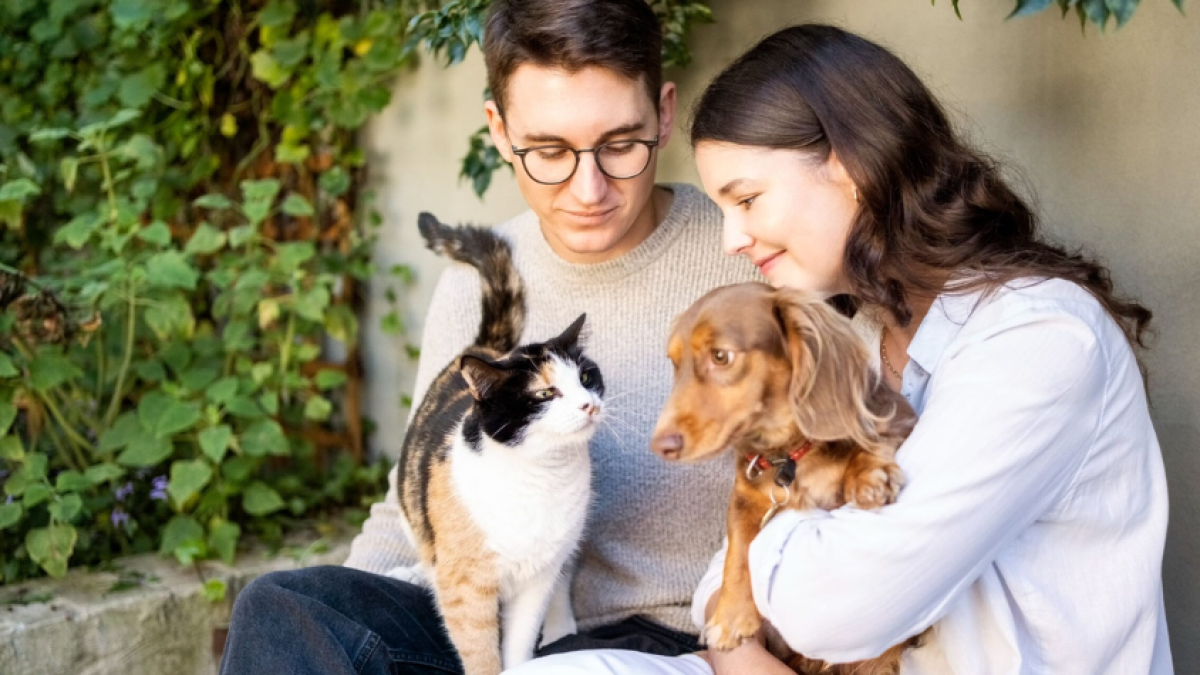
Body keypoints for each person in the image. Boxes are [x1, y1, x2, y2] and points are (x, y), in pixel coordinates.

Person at [507, 24, 1172, 675]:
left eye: (747, 199)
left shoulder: (1040, 339)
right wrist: (738, 646)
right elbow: (721, 582)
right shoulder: (848, 332)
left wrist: (761, 540)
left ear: (851, 168)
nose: (732, 237)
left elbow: (842, 606)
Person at [217, 1, 759, 674]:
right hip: (493, 632)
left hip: (666, 643)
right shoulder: (481, 282)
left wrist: (747, 645)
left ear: (665, 113)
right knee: (283, 605)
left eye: (621, 144)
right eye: (550, 151)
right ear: (499, 131)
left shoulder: (747, 250)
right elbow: (419, 493)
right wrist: (331, 628)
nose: (589, 188)